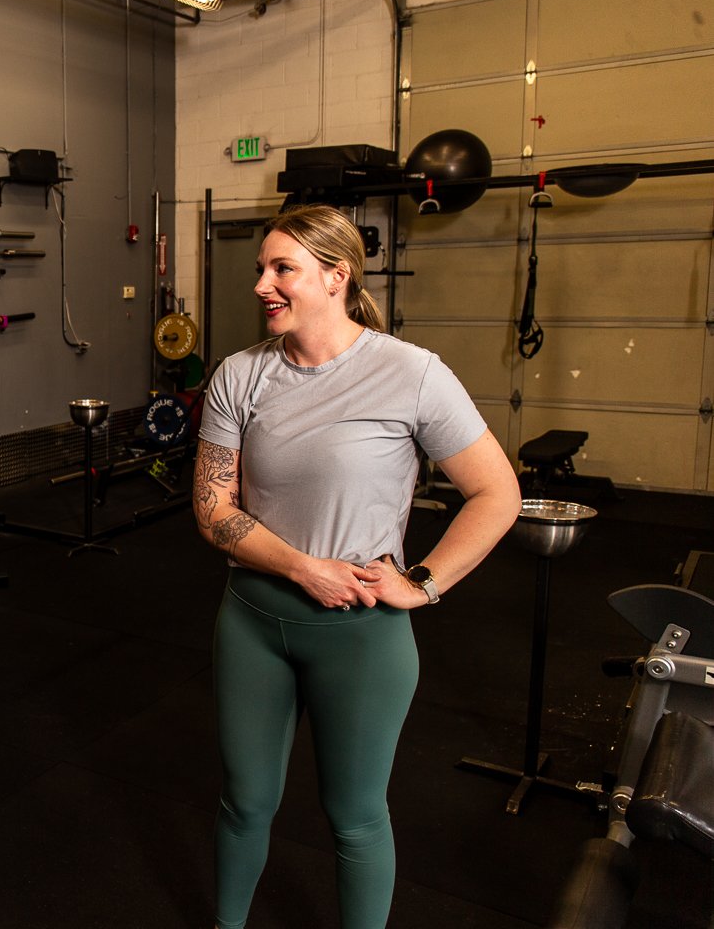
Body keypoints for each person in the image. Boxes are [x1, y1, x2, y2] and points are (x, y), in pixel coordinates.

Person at [193, 203, 520, 928]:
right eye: (261, 269)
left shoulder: (412, 374)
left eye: (283, 269)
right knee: (245, 801)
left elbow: (498, 492)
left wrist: (425, 583)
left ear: (337, 276)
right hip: (253, 621)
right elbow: (214, 512)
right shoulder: (239, 376)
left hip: (361, 635)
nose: (262, 285)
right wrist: (304, 567)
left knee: (356, 817)